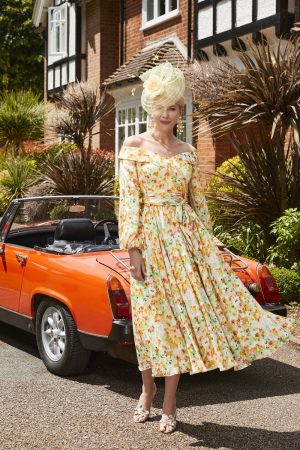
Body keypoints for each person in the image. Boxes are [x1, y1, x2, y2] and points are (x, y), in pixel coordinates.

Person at [117, 62, 295, 434]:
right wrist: (133, 250)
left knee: (182, 323)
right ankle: (146, 391)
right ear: (150, 106)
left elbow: (198, 203)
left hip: (185, 244)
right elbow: (128, 202)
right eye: (162, 105)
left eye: (175, 107)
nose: (168, 114)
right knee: (151, 324)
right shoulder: (132, 146)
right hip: (149, 243)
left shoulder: (187, 150)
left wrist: (210, 246)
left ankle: (169, 402)